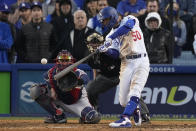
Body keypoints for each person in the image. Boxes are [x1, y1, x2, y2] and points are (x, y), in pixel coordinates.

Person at [97, 6, 150, 128]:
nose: (104, 22)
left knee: (135, 91)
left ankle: (125, 118)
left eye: (105, 20)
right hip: (126, 63)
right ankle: (135, 108)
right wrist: (106, 51)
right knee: (123, 101)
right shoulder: (109, 36)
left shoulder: (129, 19)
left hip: (141, 60)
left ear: (112, 16)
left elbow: (127, 27)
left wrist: (111, 37)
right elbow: (116, 54)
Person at [85, 32, 150, 123]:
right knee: (89, 89)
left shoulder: (110, 49)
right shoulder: (88, 56)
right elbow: (95, 68)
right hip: (106, 76)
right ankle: (93, 113)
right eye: (93, 43)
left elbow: (123, 57)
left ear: (103, 43)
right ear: (88, 45)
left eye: (98, 43)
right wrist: (95, 81)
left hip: (121, 73)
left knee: (133, 91)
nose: (95, 45)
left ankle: (144, 115)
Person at [30, 50, 101, 124]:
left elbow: (85, 78)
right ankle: (58, 115)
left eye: (66, 60)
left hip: (78, 101)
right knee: (35, 90)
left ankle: (84, 115)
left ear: (71, 62)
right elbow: (48, 81)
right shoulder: (51, 73)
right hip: (60, 99)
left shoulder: (77, 72)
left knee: (94, 118)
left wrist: (79, 81)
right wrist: (52, 89)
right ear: (58, 61)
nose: (64, 63)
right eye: (62, 60)